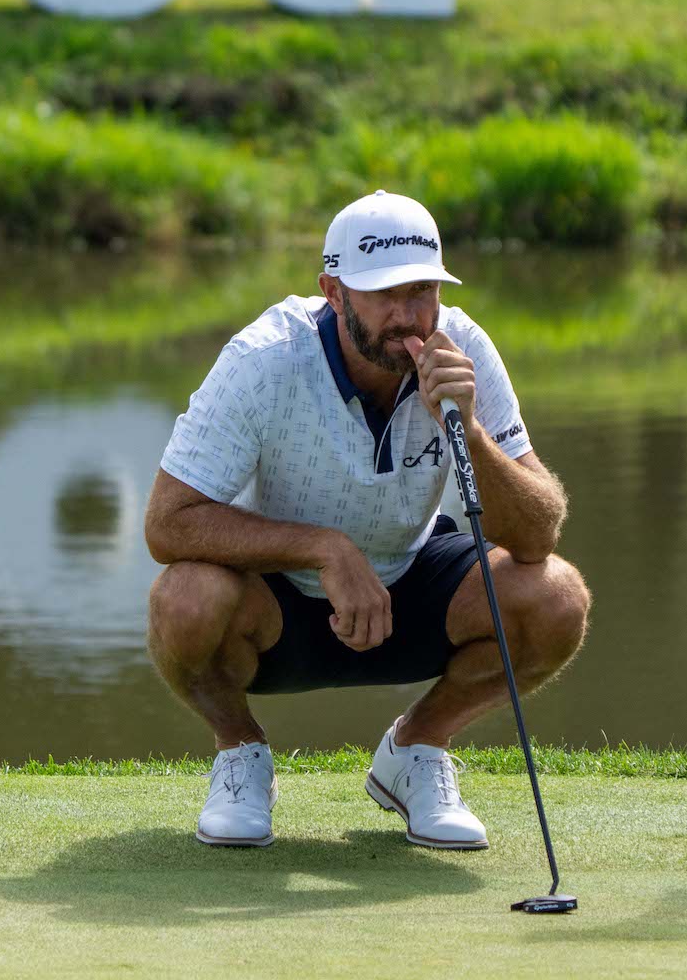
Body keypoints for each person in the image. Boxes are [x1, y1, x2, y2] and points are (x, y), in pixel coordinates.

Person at [142, 189, 591, 848]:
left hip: (411, 580)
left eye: (422, 291)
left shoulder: (461, 348)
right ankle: (240, 753)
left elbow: (537, 532)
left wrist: (466, 426)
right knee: (185, 597)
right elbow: (166, 524)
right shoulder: (263, 359)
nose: (407, 315)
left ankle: (417, 750)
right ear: (334, 290)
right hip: (278, 603)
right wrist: (325, 548)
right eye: (383, 294)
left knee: (556, 597)